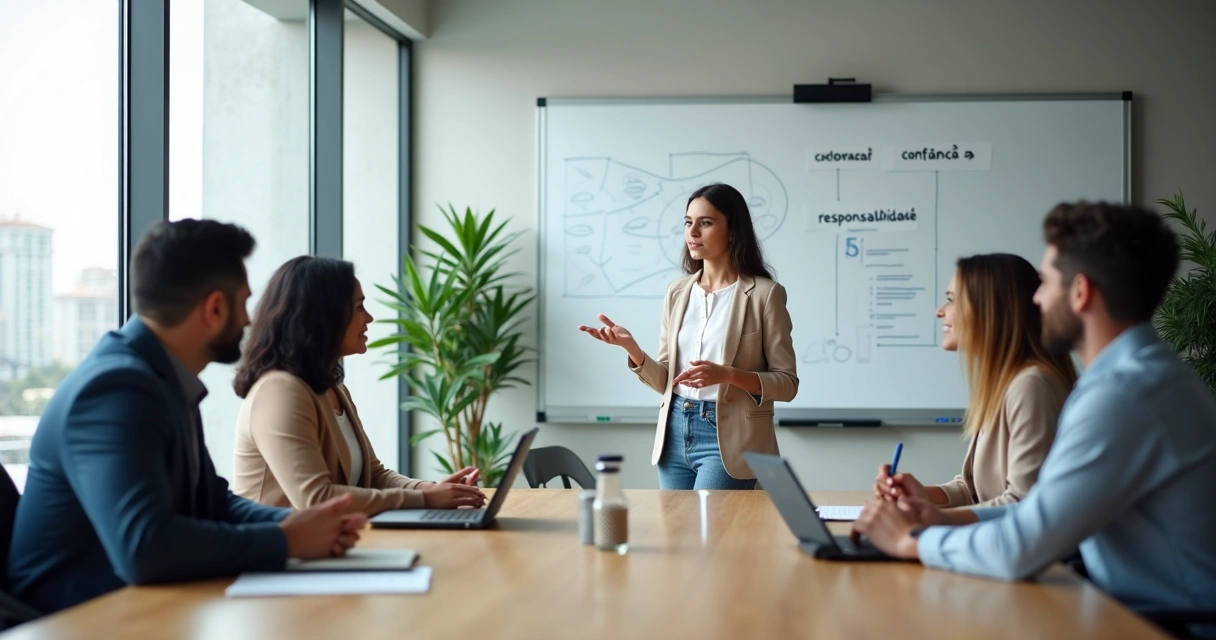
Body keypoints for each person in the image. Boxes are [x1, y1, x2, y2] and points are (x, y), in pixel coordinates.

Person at [852, 202, 1216, 615]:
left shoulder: (1120, 396)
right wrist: (937, 518)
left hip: (1167, 624)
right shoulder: (1137, 378)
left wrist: (910, 541)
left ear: (1080, 293)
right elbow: (1037, 516)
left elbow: (1022, 545)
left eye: (1045, 283)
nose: (1036, 299)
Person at [7, 220, 366, 615]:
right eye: (243, 303)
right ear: (215, 309)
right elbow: (144, 548)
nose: (249, 320)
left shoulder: (163, 379)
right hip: (71, 622)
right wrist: (288, 541)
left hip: (138, 609)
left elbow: (213, 502)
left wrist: (300, 525)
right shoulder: (115, 389)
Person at [578, 183, 799, 490]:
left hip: (730, 439)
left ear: (733, 231)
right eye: (688, 222)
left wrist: (728, 375)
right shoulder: (677, 292)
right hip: (674, 432)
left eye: (705, 223)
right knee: (677, 523)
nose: (692, 232)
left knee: (707, 523)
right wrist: (632, 349)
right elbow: (666, 381)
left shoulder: (764, 294)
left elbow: (787, 384)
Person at [232, 256, 486, 515]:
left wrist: (429, 489)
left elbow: (373, 475)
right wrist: (424, 499)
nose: (369, 318)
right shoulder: (278, 392)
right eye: (359, 307)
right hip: (278, 540)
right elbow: (316, 498)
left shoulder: (333, 388)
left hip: (330, 536)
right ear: (325, 315)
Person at [873, 253, 1076, 507]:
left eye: (951, 301)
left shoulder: (1031, 387)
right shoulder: (1005, 383)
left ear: (989, 310)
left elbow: (1023, 504)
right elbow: (974, 491)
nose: (940, 312)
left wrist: (925, 518)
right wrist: (919, 495)